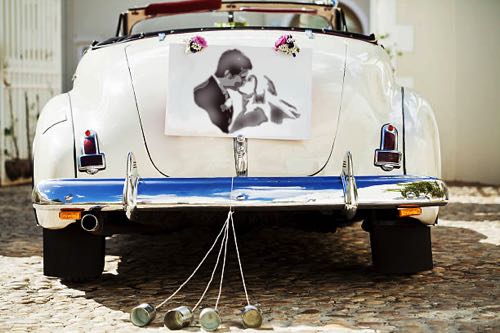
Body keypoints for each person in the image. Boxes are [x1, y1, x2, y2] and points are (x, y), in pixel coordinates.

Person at [193, 49, 254, 134]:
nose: (244, 82)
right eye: (243, 77)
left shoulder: (224, 91)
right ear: (228, 74)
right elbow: (220, 128)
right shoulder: (201, 92)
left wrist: (243, 109)